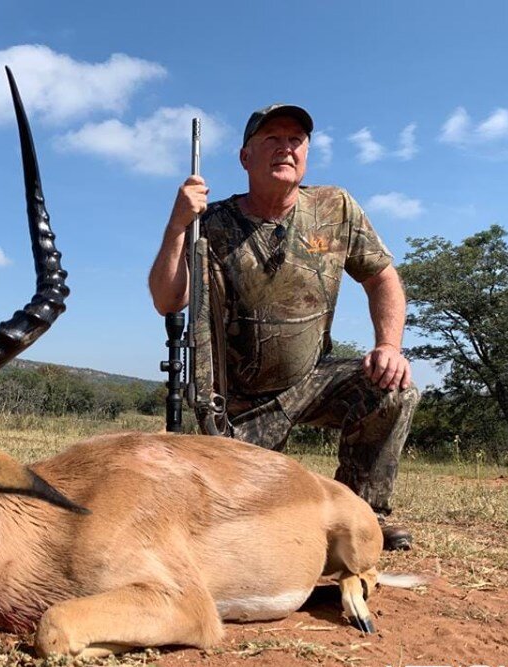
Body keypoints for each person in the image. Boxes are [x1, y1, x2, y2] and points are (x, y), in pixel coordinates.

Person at [148, 103, 420, 551]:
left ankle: (364, 514)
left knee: (393, 387)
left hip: (312, 378)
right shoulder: (211, 223)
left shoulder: (336, 208)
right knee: (236, 523)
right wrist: (179, 225)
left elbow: (382, 277)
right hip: (238, 404)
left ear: (307, 153)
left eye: (296, 140)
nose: (286, 148)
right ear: (245, 157)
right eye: (272, 139)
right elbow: (167, 298)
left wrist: (389, 345)